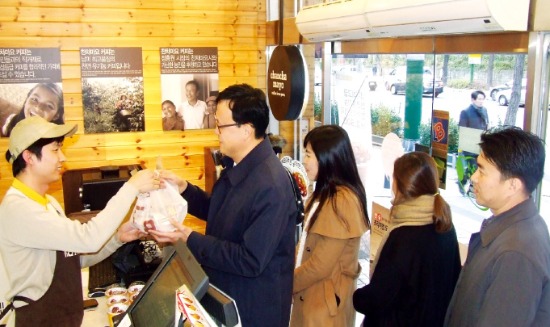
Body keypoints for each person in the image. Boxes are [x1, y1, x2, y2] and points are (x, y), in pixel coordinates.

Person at [149, 84, 297, 327]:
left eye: (220, 125)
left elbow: (250, 259)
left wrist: (190, 238)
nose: (215, 131)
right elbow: (222, 213)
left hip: (252, 308)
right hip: (227, 295)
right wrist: (184, 188)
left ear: (247, 130)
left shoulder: (271, 184)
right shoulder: (239, 164)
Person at [0, 116, 159, 326]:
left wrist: (117, 238)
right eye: (55, 150)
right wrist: (131, 187)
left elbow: (75, 259)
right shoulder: (19, 209)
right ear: (29, 157)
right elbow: (88, 239)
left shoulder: (47, 203)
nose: (62, 157)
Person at [445, 126, 549, 326]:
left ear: (512, 185)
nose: (474, 177)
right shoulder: (511, 227)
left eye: (482, 171)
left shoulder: (516, 253)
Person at [353, 151, 461, 326]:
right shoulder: (445, 225)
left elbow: (378, 296)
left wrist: (356, 297)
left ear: (400, 185)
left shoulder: (403, 237)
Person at [290, 125, 370, 327]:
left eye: (309, 155)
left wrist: (285, 283)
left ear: (327, 157)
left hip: (324, 309)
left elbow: (320, 266)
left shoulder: (342, 201)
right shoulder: (326, 193)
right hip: (312, 299)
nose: (304, 161)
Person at [457, 90, 489, 195]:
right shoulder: (466, 112)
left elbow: (486, 125)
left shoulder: (484, 110)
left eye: (482, 99)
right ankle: (464, 184)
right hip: (469, 146)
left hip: (480, 144)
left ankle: (466, 184)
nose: (481, 101)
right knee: (473, 167)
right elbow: (462, 129)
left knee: (478, 167)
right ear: (473, 100)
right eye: (479, 99)